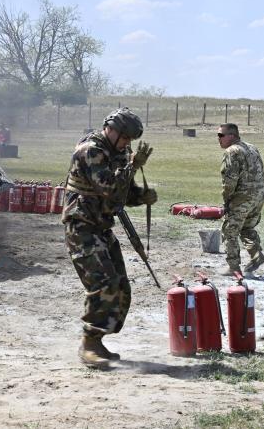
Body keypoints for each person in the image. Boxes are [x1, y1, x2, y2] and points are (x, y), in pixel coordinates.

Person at [61, 107, 157, 368]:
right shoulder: (90, 150)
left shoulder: (121, 151)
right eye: (124, 137)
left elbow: (121, 193)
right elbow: (108, 187)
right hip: (81, 226)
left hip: (101, 226)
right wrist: (132, 166)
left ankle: (98, 339)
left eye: (129, 140)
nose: (127, 144)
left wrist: (142, 196)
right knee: (103, 284)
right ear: (111, 129)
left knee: (121, 287)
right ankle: (88, 344)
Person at [218, 123, 264, 275]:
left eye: (221, 135)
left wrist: (227, 200)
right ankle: (256, 254)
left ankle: (233, 267)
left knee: (229, 231)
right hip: (258, 196)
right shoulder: (251, 147)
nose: (218, 139)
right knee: (247, 227)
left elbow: (230, 181)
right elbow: (262, 172)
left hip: (242, 197)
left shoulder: (232, 151)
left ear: (232, 136)